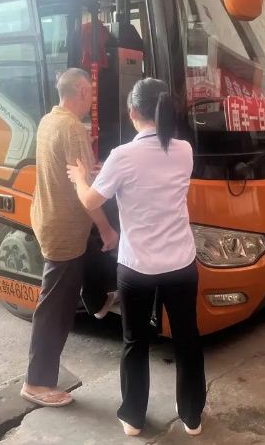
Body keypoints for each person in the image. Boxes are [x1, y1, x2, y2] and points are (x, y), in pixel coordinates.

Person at [67, 78, 206, 437]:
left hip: (137, 267)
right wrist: (108, 175)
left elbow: (90, 200)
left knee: (135, 341)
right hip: (181, 264)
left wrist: (81, 177)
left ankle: (132, 417)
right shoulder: (184, 150)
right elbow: (155, 177)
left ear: (132, 111)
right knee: (187, 338)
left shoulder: (122, 156)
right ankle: (192, 416)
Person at [21, 68, 119, 407]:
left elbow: (73, 171)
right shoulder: (73, 128)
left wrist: (95, 169)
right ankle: (37, 383)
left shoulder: (49, 121)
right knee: (55, 309)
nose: (92, 98)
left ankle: (98, 300)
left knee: (88, 258)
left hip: (48, 217)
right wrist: (106, 227)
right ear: (81, 90)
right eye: (90, 91)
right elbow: (87, 194)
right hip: (64, 229)